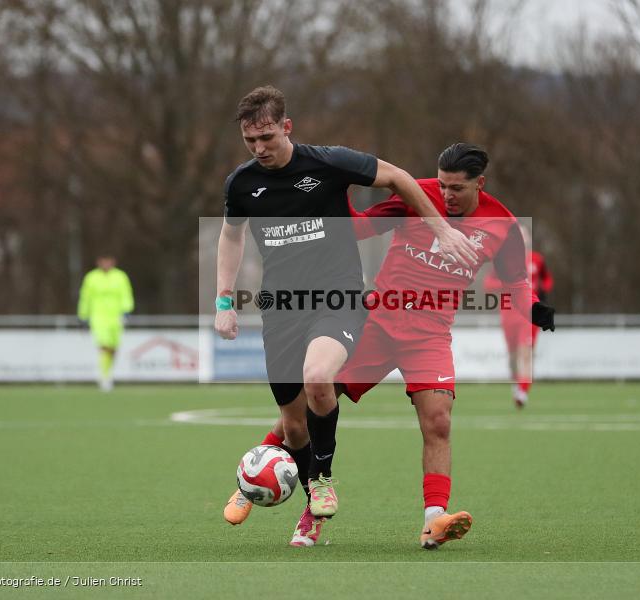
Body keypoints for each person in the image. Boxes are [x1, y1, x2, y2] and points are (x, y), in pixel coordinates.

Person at [224, 143, 555, 550]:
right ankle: (257, 479)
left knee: (439, 422)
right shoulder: (419, 195)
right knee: (312, 402)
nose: (446, 194)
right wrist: (332, 194)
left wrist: (535, 310)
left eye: (456, 188)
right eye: (443, 184)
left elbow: (517, 283)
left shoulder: (502, 225)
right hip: (376, 324)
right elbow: (360, 227)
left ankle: (434, 521)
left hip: (430, 334)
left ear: (479, 184)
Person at [215, 86, 478, 547]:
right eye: (250, 140)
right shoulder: (241, 183)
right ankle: (299, 496)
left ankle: (321, 479)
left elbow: (397, 177)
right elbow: (231, 236)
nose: (260, 148)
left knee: (319, 377)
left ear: (287, 127)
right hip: (280, 309)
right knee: (294, 423)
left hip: (336, 300)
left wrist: (439, 227)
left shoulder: (329, 162)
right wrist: (223, 299)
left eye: (267, 137)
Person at [484, 237, 554, 408]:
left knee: (526, 352)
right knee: (514, 357)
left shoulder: (537, 259)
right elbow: (488, 284)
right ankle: (518, 383)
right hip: (509, 314)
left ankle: (522, 391)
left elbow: (547, 279)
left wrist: (543, 289)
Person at [77, 254, 134, 392]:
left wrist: (127, 310)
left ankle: (108, 373)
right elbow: (85, 297)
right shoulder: (91, 278)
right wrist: (83, 315)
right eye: (103, 261)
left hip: (115, 318)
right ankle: (105, 377)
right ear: (99, 262)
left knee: (113, 348)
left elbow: (126, 294)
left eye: (109, 261)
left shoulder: (120, 277)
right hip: (98, 317)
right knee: (104, 346)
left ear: (113, 262)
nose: (106, 264)